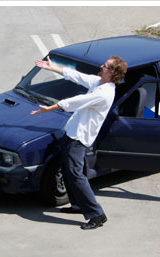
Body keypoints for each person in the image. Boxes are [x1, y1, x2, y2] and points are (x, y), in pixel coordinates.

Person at [31, 55, 127, 230]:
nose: (101, 65)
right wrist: (52, 68)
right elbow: (77, 75)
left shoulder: (104, 93)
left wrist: (51, 108)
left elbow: (76, 101)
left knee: (76, 175)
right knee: (71, 171)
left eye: (105, 65)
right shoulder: (99, 82)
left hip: (79, 138)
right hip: (73, 133)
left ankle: (97, 214)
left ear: (111, 72)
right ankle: (77, 205)